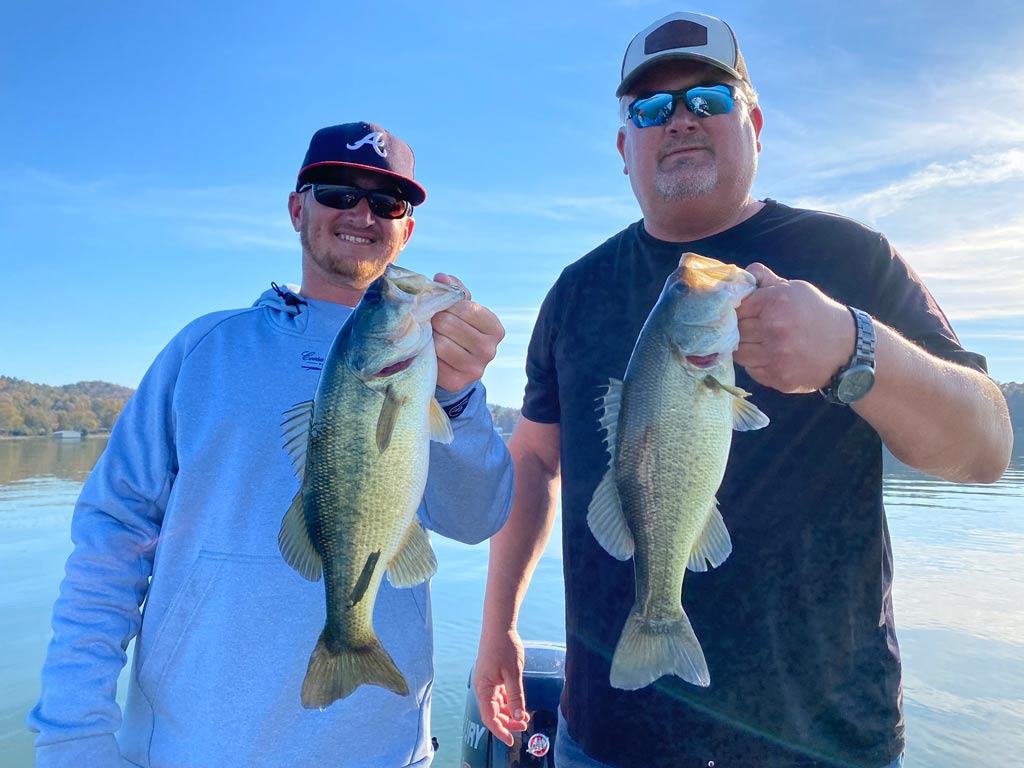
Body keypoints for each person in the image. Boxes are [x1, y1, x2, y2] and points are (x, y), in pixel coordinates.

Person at [473, 11, 1013, 768]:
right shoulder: (575, 292)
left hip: (819, 742)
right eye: (651, 109)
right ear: (623, 145)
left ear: (753, 121)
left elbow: (988, 446)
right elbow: (532, 461)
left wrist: (854, 349)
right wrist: (497, 622)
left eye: (709, 98)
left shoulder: (851, 258)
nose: (681, 119)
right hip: (603, 739)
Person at [28, 121, 514, 768]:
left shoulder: (435, 364)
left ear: (407, 229)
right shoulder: (204, 351)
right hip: (192, 750)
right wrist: (74, 735)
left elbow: (476, 519)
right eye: (338, 191)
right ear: (296, 208)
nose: (361, 213)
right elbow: (110, 544)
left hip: (385, 751)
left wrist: (458, 398)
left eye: (387, 202)